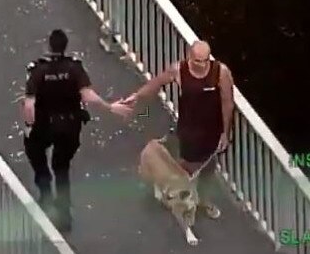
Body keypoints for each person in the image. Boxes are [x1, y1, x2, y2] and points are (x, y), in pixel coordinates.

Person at [21, 29, 132, 231]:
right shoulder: (74, 68)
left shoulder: (38, 71)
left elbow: (29, 105)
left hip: (43, 125)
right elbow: (87, 95)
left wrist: (29, 126)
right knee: (61, 167)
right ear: (65, 46)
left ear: (48, 46)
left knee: (36, 154)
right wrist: (109, 107)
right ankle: (64, 215)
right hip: (69, 126)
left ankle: (45, 192)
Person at [123, 40, 235, 219]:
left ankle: (203, 201)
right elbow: (156, 83)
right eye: (198, 60)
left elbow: (227, 103)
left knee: (208, 168)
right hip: (189, 129)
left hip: (212, 131)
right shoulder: (178, 70)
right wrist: (137, 96)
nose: (202, 64)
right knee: (185, 168)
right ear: (190, 57)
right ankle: (176, 196)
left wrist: (225, 133)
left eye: (205, 60)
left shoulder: (221, 73)